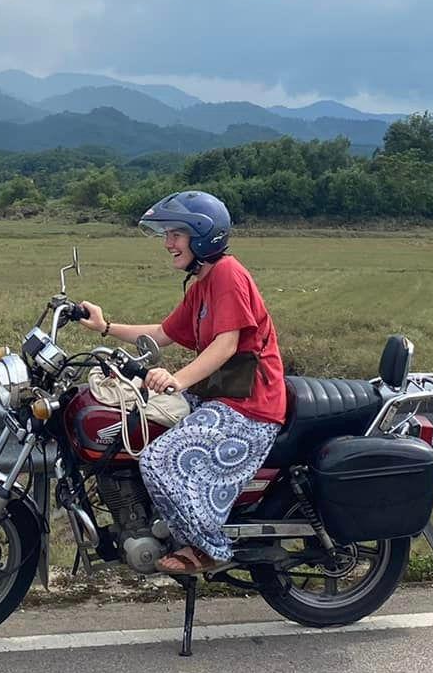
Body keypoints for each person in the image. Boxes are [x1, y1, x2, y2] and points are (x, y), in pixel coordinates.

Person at [74, 190, 286, 575]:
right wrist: (103, 327)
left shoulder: (227, 274)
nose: (168, 243)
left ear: (203, 236)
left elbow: (226, 344)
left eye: (176, 233)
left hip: (251, 406)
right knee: (144, 434)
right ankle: (163, 531)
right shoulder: (202, 282)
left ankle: (211, 548)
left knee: (160, 460)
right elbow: (161, 333)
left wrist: (175, 379)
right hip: (221, 397)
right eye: (166, 234)